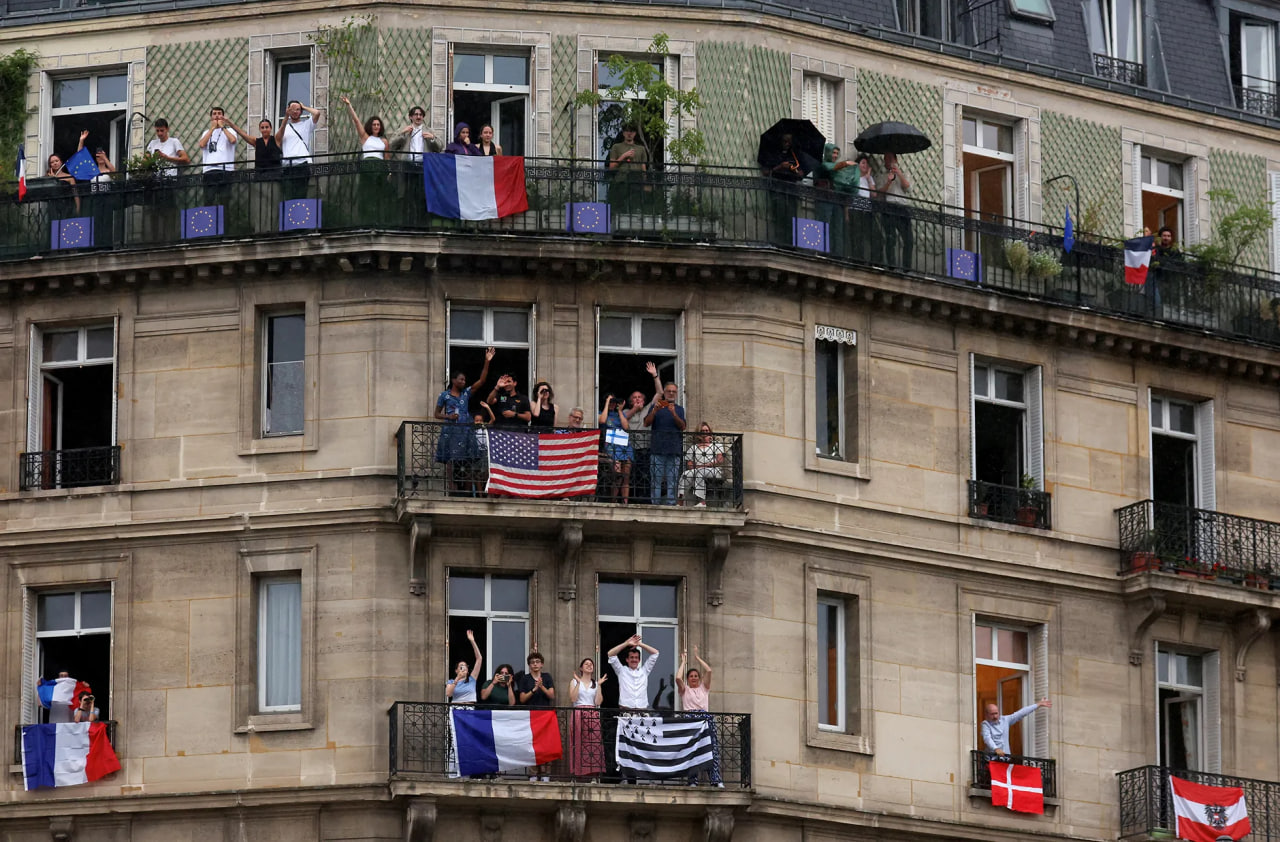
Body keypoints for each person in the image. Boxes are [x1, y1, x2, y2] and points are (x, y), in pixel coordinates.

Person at [435, 347, 495, 494]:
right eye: (461, 379)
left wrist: (487, 362)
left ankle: (467, 487)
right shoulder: (444, 395)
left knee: (468, 457)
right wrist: (448, 416)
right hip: (451, 428)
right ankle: (451, 485)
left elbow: (481, 381)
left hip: (465, 428)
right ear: (454, 380)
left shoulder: (466, 394)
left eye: (464, 380)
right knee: (450, 458)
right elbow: (436, 414)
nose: (463, 381)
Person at [223, 115, 283, 231]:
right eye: (262, 127)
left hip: (274, 176)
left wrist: (285, 117)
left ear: (270, 128)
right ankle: (260, 229)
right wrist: (230, 123)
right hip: (260, 177)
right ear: (260, 129)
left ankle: (273, 229)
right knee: (260, 205)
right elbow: (241, 133)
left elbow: (283, 128)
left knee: (274, 204)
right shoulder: (257, 142)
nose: (265, 129)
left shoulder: (275, 140)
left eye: (266, 127)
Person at [675, 646, 721, 786]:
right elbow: (678, 678)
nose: (694, 678)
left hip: (705, 719)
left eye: (696, 676)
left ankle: (716, 780)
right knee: (692, 750)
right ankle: (692, 781)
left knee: (712, 749)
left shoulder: (704, 688)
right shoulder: (685, 690)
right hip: (691, 719)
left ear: (699, 679)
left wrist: (697, 658)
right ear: (688, 679)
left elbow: (709, 670)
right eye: (691, 676)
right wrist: (683, 662)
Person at [340, 95, 389, 225]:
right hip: (367, 167)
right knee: (366, 194)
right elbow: (356, 121)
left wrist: (389, 173)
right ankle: (365, 221)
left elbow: (387, 159)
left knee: (379, 196)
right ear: (370, 126)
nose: (376, 126)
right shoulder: (365, 137)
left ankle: (379, 221)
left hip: (379, 169)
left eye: (378, 124)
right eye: (374, 124)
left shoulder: (384, 141)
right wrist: (349, 105)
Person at [624, 361, 664, 501]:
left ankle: (645, 500)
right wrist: (635, 409)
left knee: (645, 477)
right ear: (630, 401)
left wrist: (655, 376)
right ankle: (630, 500)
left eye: (639, 397)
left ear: (644, 399)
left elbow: (660, 393)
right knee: (630, 478)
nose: (637, 399)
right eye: (634, 398)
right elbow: (623, 419)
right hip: (629, 450)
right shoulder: (625, 411)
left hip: (645, 449)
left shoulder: (648, 408)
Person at [145, 119, 189, 239]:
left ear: (167, 129)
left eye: (162, 131)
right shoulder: (153, 144)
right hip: (156, 180)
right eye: (157, 131)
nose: (159, 133)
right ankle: (155, 238)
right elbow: (145, 161)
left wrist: (167, 158)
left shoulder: (174, 142)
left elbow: (185, 159)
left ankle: (169, 236)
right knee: (154, 210)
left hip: (170, 180)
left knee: (169, 209)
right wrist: (150, 160)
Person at [645, 381, 686, 505]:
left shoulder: (679, 409)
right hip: (657, 448)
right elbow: (646, 423)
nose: (671, 393)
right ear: (664, 393)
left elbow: (683, 426)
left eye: (674, 391)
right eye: (669, 391)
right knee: (656, 480)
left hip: (674, 449)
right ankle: (655, 504)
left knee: (672, 480)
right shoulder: (656, 407)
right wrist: (654, 411)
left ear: (677, 393)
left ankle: (671, 504)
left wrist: (673, 413)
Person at [517, 648, 556, 780]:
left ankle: (545, 775)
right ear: (529, 665)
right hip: (531, 717)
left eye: (537, 662)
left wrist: (542, 686)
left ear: (542, 664)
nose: (535, 664)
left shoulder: (547, 677)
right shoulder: (525, 679)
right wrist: (534, 689)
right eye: (532, 662)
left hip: (545, 717)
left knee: (546, 746)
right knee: (531, 746)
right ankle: (533, 775)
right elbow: (522, 699)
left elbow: (551, 695)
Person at [762, 132, 805, 245]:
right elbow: (765, 172)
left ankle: (791, 244)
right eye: (785, 141)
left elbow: (801, 174)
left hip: (791, 190)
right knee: (780, 216)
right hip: (778, 189)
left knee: (791, 218)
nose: (787, 144)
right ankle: (780, 242)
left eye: (789, 142)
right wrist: (780, 167)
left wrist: (798, 172)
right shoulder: (773, 154)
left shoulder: (795, 156)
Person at [277, 100, 322, 200]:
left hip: (302, 164)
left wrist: (304, 107)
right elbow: (277, 140)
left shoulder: (306, 125)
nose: (295, 111)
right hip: (287, 166)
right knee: (289, 197)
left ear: (301, 111)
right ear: (288, 110)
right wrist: (286, 117)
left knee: (301, 196)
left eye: (298, 109)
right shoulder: (285, 127)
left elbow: (317, 113)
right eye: (292, 109)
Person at [569, 658, 606, 778]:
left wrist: (599, 686)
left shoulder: (595, 684)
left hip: (592, 714)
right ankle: (577, 773)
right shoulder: (574, 682)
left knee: (593, 744)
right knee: (578, 742)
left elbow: (598, 701)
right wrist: (579, 682)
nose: (589, 665)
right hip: (579, 713)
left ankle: (593, 775)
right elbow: (573, 699)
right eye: (586, 664)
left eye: (591, 664)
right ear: (581, 668)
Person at [820, 142, 857, 256]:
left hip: (837, 201)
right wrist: (845, 164)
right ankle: (824, 253)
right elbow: (828, 169)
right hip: (825, 200)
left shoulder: (838, 168)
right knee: (825, 226)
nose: (835, 155)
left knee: (838, 229)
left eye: (837, 153)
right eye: (833, 153)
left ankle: (838, 254)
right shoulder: (822, 164)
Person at [197, 106, 237, 212]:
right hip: (209, 171)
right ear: (211, 117)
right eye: (214, 114)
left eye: (219, 113)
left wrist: (222, 127)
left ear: (223, 117)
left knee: (225, 202)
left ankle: (225, 226)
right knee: (209, 200)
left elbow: (233, 140)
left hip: (225, 170)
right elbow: (201, 144)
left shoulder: (230, 131)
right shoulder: (206, 132)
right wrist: (212, 129)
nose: (217, 116)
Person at [981, 698, 1051, 756]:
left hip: (1005, 759)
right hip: (992, 760)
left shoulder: (1005, 720)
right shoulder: (985, 724)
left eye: (996, 713)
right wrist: (995, 749)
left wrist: (1038, 704)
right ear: (986, 715)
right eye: (992, 714)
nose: (995, 716)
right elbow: (987, 738)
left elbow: (1021, 713)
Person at [879, 151, 913, 269]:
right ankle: (891, 265)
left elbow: (908, 188)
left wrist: (899, 174)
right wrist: (889, 181)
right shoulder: (882, 175)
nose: (887, 161)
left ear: (896, 160)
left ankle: (906, 267)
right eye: (885, 159)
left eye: (889, 159)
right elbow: (880, 193)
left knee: (909, 240)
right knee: (890, 238)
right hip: (889, 206)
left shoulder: (905, 173)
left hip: (902, 208)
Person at [607, 634, 660, 710]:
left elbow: (655, 653)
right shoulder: (621, 670)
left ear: (639, 660)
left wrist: (639, 644)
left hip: (642, 709)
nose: (634, 660)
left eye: (636, 658)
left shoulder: (644, 671)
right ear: (627, 659)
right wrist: (626, 643)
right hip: (626, 708)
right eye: (631, 657)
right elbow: (610, 654)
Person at [678, 423, 725, 507]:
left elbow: (720, 460)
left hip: (714, 470)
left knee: (700, 472)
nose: (705, 433)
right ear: (699, 433)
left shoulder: (716, 445)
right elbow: (689, 464)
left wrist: (708, 465)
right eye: (702, 431)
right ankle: (680, 501)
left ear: (710, 432)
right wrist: (700, 466)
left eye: (707, 430)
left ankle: (702, 501)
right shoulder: (694, 448)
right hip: (698, 469)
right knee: (685, 474)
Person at [607, 124, 649, 214]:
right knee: (620, 205)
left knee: (635, 206)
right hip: (621, 179)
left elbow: (643, 166)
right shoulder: (616, 147)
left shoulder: (641, 149)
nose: (629, 133)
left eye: (632, 131)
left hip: (636, 179)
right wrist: (623, 156)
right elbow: (611, 167)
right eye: (627, 131)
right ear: (623, 133)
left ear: (635, 133)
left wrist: (645, 181)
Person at [599, 393, 632, 503]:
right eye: (611, 402)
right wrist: (607, 402)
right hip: (611, 446)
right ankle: (614, 500)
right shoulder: (601, 413)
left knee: (626, 475)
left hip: (624, 445)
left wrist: (619, 410)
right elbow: (602, 421)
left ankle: (625, 502)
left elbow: (626, 427)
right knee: (617, 474)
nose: (613, 404)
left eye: (614, 402)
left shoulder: (620, 414)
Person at [445, 629, 483, 704]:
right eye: (461, 666)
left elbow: (479, 659)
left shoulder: (472, 679)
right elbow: (448, 694)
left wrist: (472, 641)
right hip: (456, 710)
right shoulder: (451, 681)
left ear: (468, 670)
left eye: (465, 666)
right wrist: (457, 679)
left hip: (469, 710)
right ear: (456, 670)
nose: (464, 668)